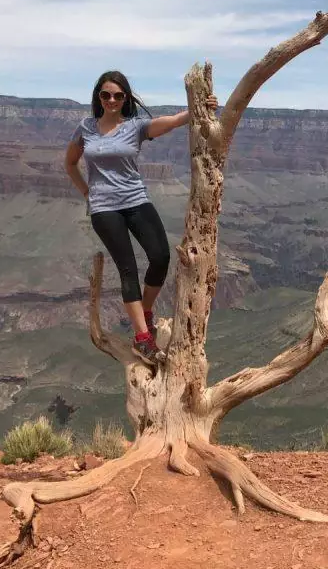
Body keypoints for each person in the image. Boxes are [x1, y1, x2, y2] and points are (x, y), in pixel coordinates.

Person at [64, 70, 217, 362]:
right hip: (104, 208)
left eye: (118, 95)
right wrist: (88, 193)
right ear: (98, 96)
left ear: (126, 98)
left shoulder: (134, 126)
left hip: (136, 200)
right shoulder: (85, 128)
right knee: (128, 269)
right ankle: (143, 338)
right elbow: (70, 164)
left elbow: (169, 123)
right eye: (106, 95)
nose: (112, 100)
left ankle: (144, 311)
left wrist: (198, 108)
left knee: (160, 255)